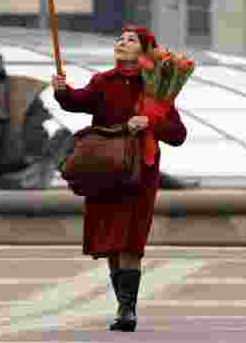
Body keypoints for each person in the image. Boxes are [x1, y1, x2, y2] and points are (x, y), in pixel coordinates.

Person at [51, 26, 187, 332]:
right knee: (110, 242)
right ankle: (122, 304)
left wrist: (150, 122)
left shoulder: (156, 86)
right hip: (105, 169)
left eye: (130, 39)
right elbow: (77, 101)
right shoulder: (103, 81)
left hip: (140, 173)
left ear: (144, 50)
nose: (122, 43)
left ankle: (127, 310)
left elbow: (178, 134)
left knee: (130, 241)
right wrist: (61, 90)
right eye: (120, 39)